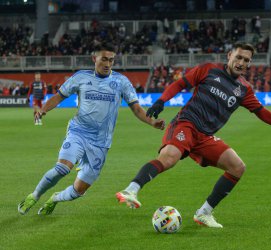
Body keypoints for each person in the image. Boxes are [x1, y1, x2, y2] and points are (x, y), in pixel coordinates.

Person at [116, 42, 271, 228]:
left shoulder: (244, 89)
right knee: (169, 158)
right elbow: (180, 84)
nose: (242, 63)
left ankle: (204, 212)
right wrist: (161, 101)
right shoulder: (209, 69)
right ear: (229, 56)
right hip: (186, 124)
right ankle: (131, 190)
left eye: (246, 60)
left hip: (205, 137)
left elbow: (263, 113)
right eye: (239, 57)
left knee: (237, 167)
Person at [17, 43, 165, 216]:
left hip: (101, 142)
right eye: (104, 59)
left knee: (79, 190)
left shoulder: (121, 81)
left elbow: (137, 109)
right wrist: (43, 109)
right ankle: (34, 196)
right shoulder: (80, 77)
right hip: (78, 132)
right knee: (63, 168)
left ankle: (55, 199)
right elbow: (59, 96)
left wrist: (152, 122)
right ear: (94, 58)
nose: (108, 64)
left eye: (111, 60)